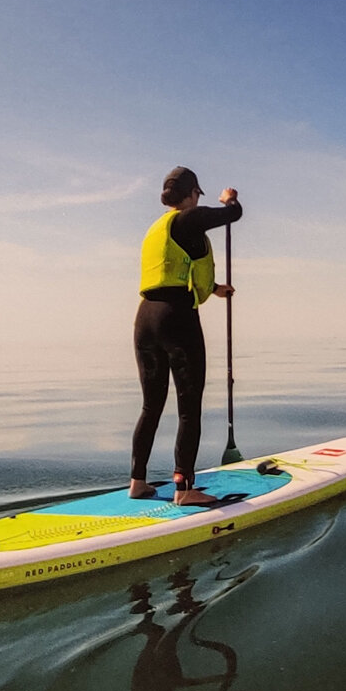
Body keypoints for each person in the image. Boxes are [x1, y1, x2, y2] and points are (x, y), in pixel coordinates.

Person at [129, 166, 241, 505]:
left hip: (146, 318)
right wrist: (229, 200)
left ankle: (137, 482)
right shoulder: (187, 219)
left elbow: (179, 270)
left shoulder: (157, 229)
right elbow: (232, 214)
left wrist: (217, 290)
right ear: (191, 195)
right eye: (197, 195)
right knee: (189, 407)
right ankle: (185, 489)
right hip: (177, 318)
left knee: (151, 405)